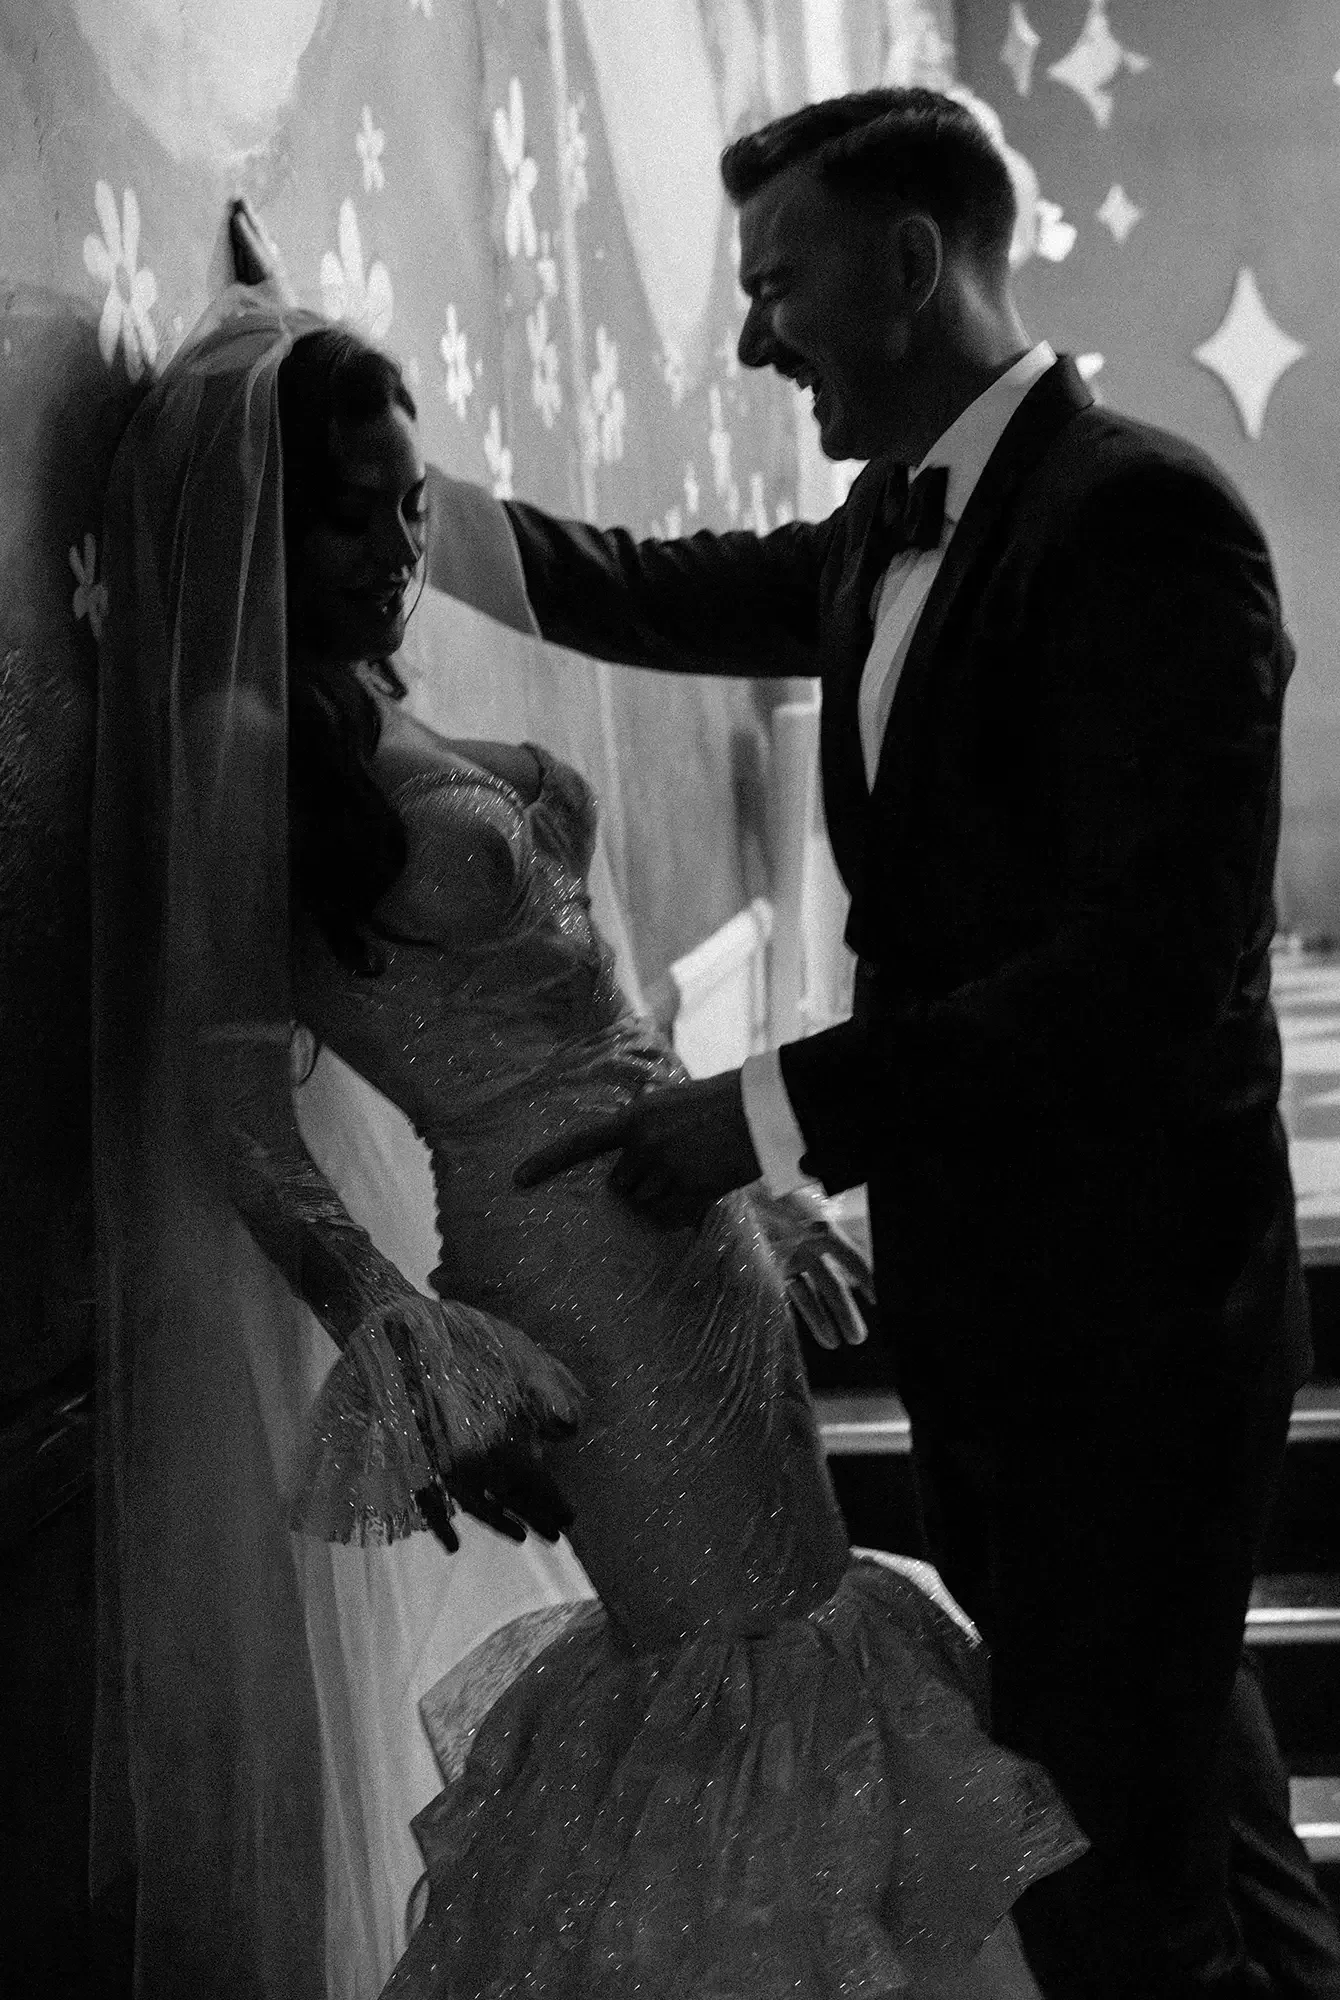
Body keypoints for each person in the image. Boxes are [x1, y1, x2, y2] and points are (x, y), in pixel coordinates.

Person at [414, 86, 1340, 2000]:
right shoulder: (879, 531)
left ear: (912, 264)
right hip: (997, 1309)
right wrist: (366, 480)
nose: (757, 339)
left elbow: (1146, 979)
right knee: (1187, 1799)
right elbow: (637, 583)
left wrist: (761, 1115)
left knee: (1114, 1873)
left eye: (780, 285)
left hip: (1140, 1325)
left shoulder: (1141, 518)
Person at [91, 274, 1082, 2000]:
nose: (397, 550)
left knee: (802, 1623)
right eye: (347, 516)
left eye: (411, 505)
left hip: (694, 1239)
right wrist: (409, 1346)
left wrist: (761, 1190)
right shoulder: (244, 741)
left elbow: (603, 1013)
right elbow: (234, 1115)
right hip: (572, 1293)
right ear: (260, 532)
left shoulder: (379, 706)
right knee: (732, 1667)